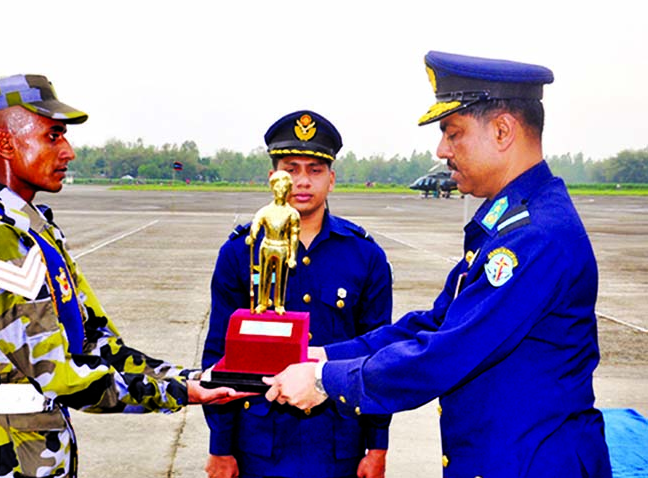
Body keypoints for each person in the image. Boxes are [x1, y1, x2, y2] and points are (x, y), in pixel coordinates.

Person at [264, 52, 612, 477]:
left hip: (533, 464)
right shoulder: (505, 224)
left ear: (502, 130)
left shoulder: (534, 237)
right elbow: (430, 325)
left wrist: (325, 382)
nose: (442, 149)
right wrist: (320, 355)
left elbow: (445, 353)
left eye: (453, 132)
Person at [0, 74, 243, 478]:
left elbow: (96, 344)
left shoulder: (32, 229)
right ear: (5, 143)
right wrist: (180, 392)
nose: (69, 151)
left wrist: (189, 377)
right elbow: (58, 372)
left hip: (30, 440)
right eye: (53, 136)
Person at [202, 110, 393, 478]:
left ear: (332, 179)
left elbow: (376, 353)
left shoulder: (364, 256)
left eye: (315, 170)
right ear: (274, 176)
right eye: (291, 168)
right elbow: (218, 353)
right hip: (258, 441)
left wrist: (377, 444)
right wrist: (220, 447)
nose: (302, 181)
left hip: (338, 443)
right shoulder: (240, 252)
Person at [247, 170, 301, 314]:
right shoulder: (265, 211)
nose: (280, 192)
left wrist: (293, 256)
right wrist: (252, 236)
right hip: (267, 245)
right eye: (277, 188)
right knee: (264, 275)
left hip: (283, 247)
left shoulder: (292, 213)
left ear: (289, 190)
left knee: (281, 278)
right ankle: (262, 302)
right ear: (272, 188)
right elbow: (256, 224)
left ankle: (279, 303)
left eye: (284, 188)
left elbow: (294, 235)